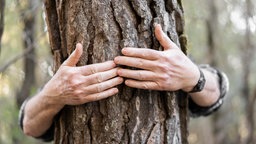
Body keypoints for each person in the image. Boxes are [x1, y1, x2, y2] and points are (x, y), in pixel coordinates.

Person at [19, 24, 228, 141]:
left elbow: (217, 92)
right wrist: (52, 96)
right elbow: (29, 124)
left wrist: (194, 77)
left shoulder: (173, 64)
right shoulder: (67, 77)